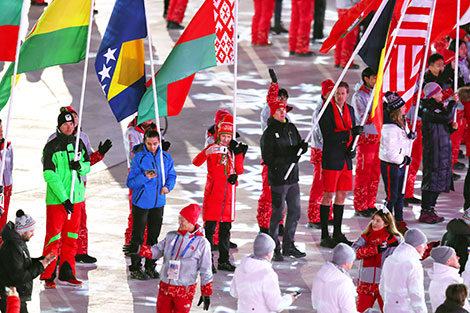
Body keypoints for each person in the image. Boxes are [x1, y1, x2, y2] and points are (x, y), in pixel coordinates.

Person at [47, 106, 112, 264]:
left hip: (79, 187)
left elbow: (88, 162)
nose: (73, 121)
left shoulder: (82, 137)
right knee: (61, 222)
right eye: (70, 118)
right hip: (61, 188)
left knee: (80, 219)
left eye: (75, 117)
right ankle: (60, 254)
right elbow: (49, 166)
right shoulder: (52, 139)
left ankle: (81, 252)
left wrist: (100, 153)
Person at [123, 204, 213, 312]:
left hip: (183, 291)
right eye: (179, 218)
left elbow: (206, 269)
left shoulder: (202, 243)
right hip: (165, 288)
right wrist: (139, 250)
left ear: (191, 222)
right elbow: (157, 251)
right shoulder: (171, 236)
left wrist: (206, 292)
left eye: (182, 220)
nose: (179, 222)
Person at [39, 111, 90, 289]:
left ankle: (68, 272)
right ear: (59, 126)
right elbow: (49, 175)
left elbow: (87, 166)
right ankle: (48, 275)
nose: (69, 127)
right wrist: (63, 198)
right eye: (65, 125)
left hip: (76, 199)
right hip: (57, 201)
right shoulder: (51, 147)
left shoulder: (79, 143)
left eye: (71, 124)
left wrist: (80, 166)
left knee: (71, 237)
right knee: (53, 238)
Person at [260, 76, 308, 261]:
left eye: (284, 110)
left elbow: (295, 147)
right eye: (280, 110)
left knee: (295, 211)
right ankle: (274, 248)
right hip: (279, 179)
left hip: (292, 179)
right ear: (272, 113)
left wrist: (301, 149)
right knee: (277, 214)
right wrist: (290, 156)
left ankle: (289, 245)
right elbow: (268, 158)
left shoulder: (291, 128)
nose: (283, 112)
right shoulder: (269, 134)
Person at [193, 114, 246, 272]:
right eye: (223, 136)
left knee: (225, 230)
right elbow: (196, 162)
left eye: (228, 136)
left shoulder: (232, 150)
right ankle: (207, 261)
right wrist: (206, 153)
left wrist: (239, 154)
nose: (225, 139)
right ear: (218, 135)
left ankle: (224, 260)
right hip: (213, 195)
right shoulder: (212, 148)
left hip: (228, 197)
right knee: (209, 230)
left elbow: (240, 170)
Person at [126, 128, 176, 280]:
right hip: (141, 203)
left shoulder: (165, 158)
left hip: (158, 203)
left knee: (153, 237)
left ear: (159, 142)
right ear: (144, 142)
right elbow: (130, 182)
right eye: (149, 144)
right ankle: (135, 266)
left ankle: (150, 265)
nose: (152, 147)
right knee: (138, 236)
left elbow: (172, 175)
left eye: (155, 144)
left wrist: (168, 186)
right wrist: (145, 177)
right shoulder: (139, 158)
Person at [319, 81, 362, 248]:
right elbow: (328, 135)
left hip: (345, 158)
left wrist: (353, 149)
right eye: (337, 93)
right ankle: (324, 234)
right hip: (332, 158)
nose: (339, 96)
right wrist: (349, 133)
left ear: (347, 94)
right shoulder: (326, 111)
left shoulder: (350, 110)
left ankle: (337, 232)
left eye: (342, 93)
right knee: (328, 195)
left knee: (342, 194)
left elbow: (353, 136)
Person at [418, 82, 458, 224]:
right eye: (439, 92)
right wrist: (453, 103)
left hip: (441, 150)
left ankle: (431, 208)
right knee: (432, 181)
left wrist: (451, 128)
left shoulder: (437, 108)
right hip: (434, 151)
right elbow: (445, 117)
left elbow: (443, 125)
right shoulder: (427, 109)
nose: (441, 95)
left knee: (438, 181)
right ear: (432, 94)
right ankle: (426, 210)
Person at [0, 210, 55, 312]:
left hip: (16, 295)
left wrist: (42, 260)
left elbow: (22, 263)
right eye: (31, 231)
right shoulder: (12, 246)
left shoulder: (18, 241)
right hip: (11, 296)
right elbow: (19, 276)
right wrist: (41, 266)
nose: (33, 234)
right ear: (23, 231)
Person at [230, 233, 297, 312]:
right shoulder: (268, 275)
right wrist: (289, 298)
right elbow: (276, 306)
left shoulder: (240, 268)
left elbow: (234, 292)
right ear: (268, 254)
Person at [352, 208, 403, 312]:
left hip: (385, 283)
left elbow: (405, 258)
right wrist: (375, 249)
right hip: (366, 283)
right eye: (373, 220)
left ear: (386, 224)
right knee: (360, 311)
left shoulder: (395, 240)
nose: (374, 223)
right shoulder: (365, 237)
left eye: (378, 221)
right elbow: (353, 253)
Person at [258, 69, 290, 234]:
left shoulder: (288, 121)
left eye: (285, 100)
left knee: (281, 195)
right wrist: (274, 86)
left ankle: (279, 223)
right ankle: (264, 225)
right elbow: (270, 103)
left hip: (283, 164)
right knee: (268, 195)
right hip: (270, 163)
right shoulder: (268, 116)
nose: (282, 103)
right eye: (280, 98)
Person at [379, 92, 414, 233]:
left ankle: (399, 220)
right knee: (392, 195)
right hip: (391, 165)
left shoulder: (401, 122)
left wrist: (411, 137)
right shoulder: (389, 128)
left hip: (400, 164)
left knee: (400, 193)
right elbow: (390, 151)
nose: (406, 108)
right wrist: (402, 159)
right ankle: (385, 221)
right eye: (403, 107)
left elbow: (403, 141)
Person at [352, 67, 379, 218]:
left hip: (378, 138)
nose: (376, 81)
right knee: (364, 172)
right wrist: (377, 114)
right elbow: (362, 117)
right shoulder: (359, 96)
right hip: (366, 138)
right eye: (374, 78)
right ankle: (360, 205)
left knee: (375, 172)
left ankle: (370, 203)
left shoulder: (378, 93)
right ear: (366, 79)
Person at [124, 116, 155, 245]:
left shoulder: (155, 129)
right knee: (137, 209)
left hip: (153, 174)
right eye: (148, 113)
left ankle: (147, 244)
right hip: (138, 174)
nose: (151, 117)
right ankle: (133, 243)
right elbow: (134, 156)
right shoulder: (132, 132)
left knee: (152, 210)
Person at [379, 228, 428, 313]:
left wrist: (389, 301)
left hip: (389, 306)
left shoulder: (390, 259)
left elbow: (382, 286)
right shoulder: (413, 264)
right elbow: (416, 294)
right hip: (406, 309)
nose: (426, 247)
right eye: (423, 244)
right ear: (416, 245)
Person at [307, 79, 334, 228]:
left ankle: (326, 213)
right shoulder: (320, 110)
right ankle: (314, 216)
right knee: (319, 183)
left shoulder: (332, 107)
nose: (332, 95)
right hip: (321, 150)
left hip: (330, 151)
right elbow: (320, 133)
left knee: (328, 183)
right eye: (329, 92)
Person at [311, 243, 357, 312]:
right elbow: (348, 310)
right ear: (347, 262)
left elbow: (315, 303)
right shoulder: (344, 283)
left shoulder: (320, 275)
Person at [429, 246, 470, 312]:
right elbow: (462, 309)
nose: (458, 258)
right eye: (455, 256)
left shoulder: (437, 278)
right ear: (448, 261)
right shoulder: (450, 283)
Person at [334, 0, 361, 69]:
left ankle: (338, 60)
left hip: (340, 7)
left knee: (341, 35)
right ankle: (345, 62)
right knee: (349, 36)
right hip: (350, 9)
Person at [0, 119, 13, 246]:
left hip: (6, 189)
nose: (1, 131)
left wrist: (9, 185)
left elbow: (10, 167)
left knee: (2, 222)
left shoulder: (8, 147)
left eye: (1, 128)